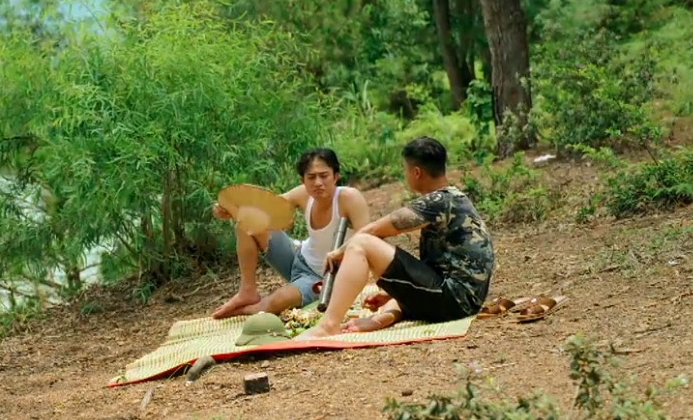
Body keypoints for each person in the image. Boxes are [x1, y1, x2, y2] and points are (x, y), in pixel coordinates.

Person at [295, 136, 495, 340]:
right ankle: (382, 317)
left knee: (362, 242)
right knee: (367, 246)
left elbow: (373, 230)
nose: (405, 175)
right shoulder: (452, 197)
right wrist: (395, 293)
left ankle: (328, 325)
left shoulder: (439, 200)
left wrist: (339, 252)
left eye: (405, 169)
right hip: (461, 299)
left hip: (454, 301)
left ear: (416, 172)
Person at [210, 147, 372, 319]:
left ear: (335, 176)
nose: (318, 182)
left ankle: (245, 311)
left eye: (324, 176)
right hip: (297, 256)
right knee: (246, 220)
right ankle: (247, 291)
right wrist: (227, 209)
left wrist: (339, 253)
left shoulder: (349, 198)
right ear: (303, 180)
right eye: (311, 177)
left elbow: (366, 239)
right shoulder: (303, 194)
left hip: (322, 277)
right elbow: (265, 208)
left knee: (275, 302)